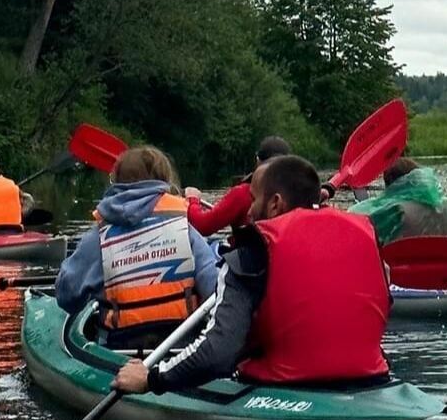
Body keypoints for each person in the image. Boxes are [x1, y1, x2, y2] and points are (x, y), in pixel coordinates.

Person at [112, 155, 391, 394]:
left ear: (275, 204)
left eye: (254, 198)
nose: (247, 210)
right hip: (372, 381)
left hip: (286, 390)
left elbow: (217, 355)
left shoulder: (251, 251)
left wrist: (151, 378)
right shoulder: (364, 235)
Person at [56, 147, 219, 350]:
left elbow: (67, 297)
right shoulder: (183, 226)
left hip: (120, 345)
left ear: (117, 183)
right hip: (180, 342)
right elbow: (214, 288)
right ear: (162, 180)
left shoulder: (98, 236)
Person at [182, 136, 292, 236]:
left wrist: (193, 200)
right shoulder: (296, 195)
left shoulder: (242, 193)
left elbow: (203, 226)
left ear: (258, 160)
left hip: (247, 255)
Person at [348, 157, 447, 244]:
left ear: (392, 185)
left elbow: (363, 230)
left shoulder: (397, 210)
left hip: (404, 270)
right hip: (445, 270)